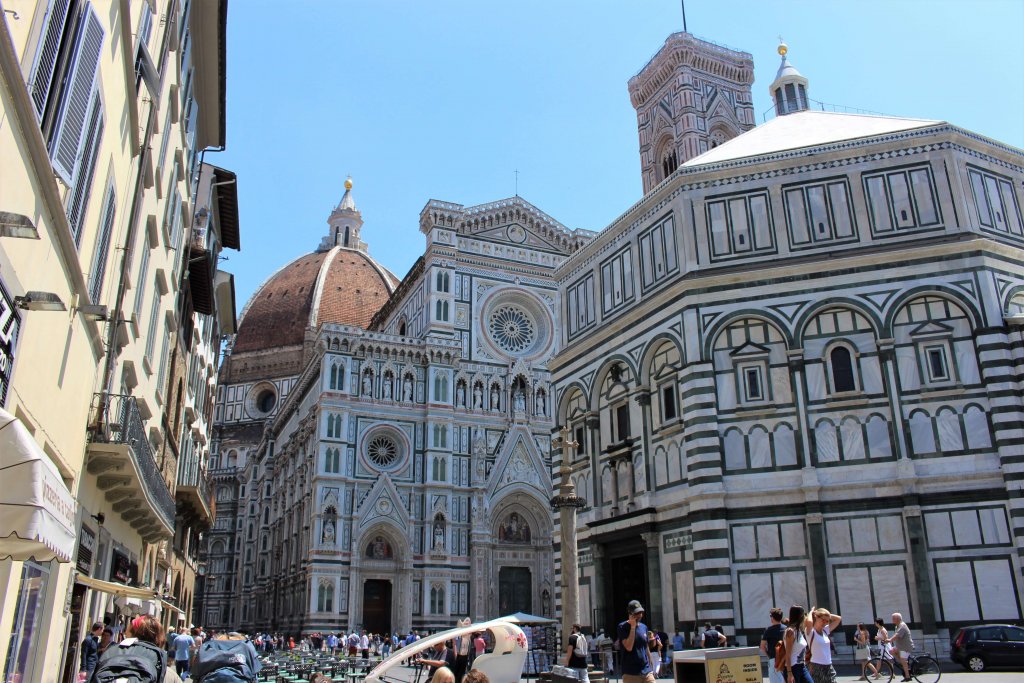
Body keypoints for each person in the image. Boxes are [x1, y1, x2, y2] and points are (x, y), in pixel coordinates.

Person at [617, 599, 654, 683]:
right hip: (631, 672)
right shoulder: (622, 627)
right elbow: (629, 647)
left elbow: (646, 646)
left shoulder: (644, 627)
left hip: (646, 670)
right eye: (637, 613)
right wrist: (633, 627)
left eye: (641, 612)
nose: (640, 615)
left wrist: (650, 662)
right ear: (630, 613)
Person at [806, 607, 842, 683]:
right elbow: (809, 621)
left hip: (829, 665)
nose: (825, 622)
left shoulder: (825, 630)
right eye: (823, 620)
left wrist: (827, 615)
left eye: (827, 621)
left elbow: (838, 619)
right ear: (816, 617)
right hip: (816, 665)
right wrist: (812, 612)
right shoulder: (811, 632)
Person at [782, 605, 813, 683]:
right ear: (800, 616)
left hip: (802, 666)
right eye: (804, 614)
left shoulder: (798, 630)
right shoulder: (790, 631)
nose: (805, 617)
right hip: (793, 667)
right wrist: (789, 674)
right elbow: (788, 654)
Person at [760, 607, 787, 683]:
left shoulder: (768, 630)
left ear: (772, 618)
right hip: (786, 659)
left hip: (774, 659)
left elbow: (762, 647)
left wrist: (769, 656)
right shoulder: (787, 629)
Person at [886, 613, 913, 682]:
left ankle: (907, 676)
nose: (892, 620)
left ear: (897, 619)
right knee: (891, 651)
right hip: (900, 646)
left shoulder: (902, 625)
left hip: (905, 646)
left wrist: (890, 640)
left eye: (893, 618)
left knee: (903, 660)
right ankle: (903, 664)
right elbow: (896, 634)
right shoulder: (897, 626)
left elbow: (897, 635)